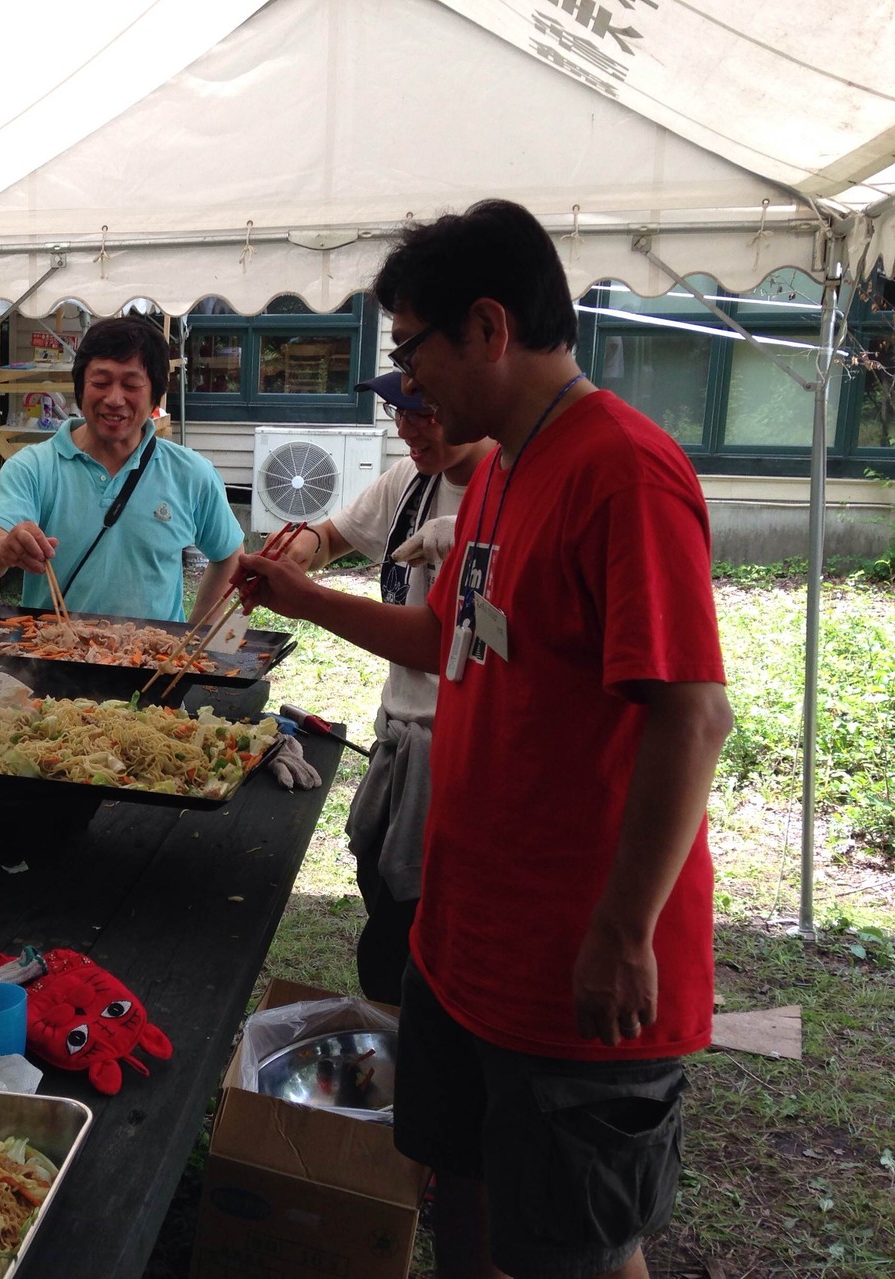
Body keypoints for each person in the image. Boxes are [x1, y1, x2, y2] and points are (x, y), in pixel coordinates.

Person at [238, 199, 733, 1279]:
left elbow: (690, 715)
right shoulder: (504, 465)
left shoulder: (623, 472)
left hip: (567, 959)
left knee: (577, 1245)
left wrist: (620, 932)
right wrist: (301, 595)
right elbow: (443, 632)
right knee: (461, 1197)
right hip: (468, 944)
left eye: (411, 349)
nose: (408, 383)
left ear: (487, 328)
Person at [261, 371, 493, 1006]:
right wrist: (300, 551)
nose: (405, 428)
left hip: (463, 756)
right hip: (401, 738)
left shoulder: (507, 491)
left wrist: (308, 601)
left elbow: (442, 640)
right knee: (384, 902)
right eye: (398, 410)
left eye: (422, 411)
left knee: (425, 941)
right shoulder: (412, 480)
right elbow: (334, 536)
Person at [0, 317, 243, 624]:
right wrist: (3, 549)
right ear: (81, 386)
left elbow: (230, 554)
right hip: (50, 662)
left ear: (155, 392)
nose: (114, 399)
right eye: (101, 382)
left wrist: (194, 637)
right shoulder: (34, 467)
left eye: (131, 385)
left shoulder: (191, 474)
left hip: (151, 666)